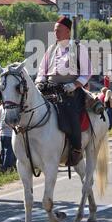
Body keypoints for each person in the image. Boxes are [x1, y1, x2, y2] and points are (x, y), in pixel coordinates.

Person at [35, 16, 92, 166]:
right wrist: (40, 82)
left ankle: (76, 149)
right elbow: (42, 70)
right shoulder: (51, 49)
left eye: (58, 30)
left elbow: (87, 72)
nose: (56, 33)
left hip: (70, 90)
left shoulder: (79, 48)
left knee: (70, 111)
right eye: (55, 30)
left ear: (68, 31)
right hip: (49, 87)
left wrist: (74, 85)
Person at [0, 103, 16, 172]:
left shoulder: (0, 107)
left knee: (2, 150)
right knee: (8, 151)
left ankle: (2, 165)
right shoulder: (9, 108)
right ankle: (5, 167)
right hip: (9, 133)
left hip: (1, 132)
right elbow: (10, 121)